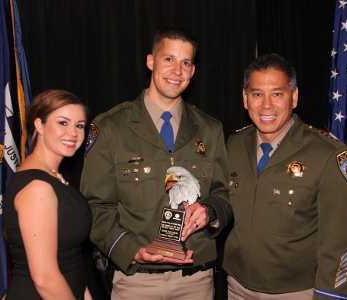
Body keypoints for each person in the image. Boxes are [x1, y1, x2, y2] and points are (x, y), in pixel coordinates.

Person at [80, 28, 233, 299]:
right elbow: (95, 207)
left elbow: (225, 193)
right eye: (169, 60)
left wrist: (209, 212)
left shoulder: (210, 129)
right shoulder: (112, 127)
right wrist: (131, 250)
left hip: (195, 278)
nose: (177, 70)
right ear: (151, 61)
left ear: (193, 71)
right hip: (136, 279)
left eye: (186, 63)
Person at [223, 54, 347, 300]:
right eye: (256, 94)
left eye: (277, 94)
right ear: (245, 99)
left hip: (296, 292)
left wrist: (332, 296)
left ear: (294, 97)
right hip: (238, 287)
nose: (266, 105)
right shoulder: (234, 145)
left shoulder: (327, 154)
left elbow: (340, 241)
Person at [3, 89, 92, 299]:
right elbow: (45, 278)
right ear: (39, 125)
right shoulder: (38, 188)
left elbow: (70, 261)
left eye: (79, 126)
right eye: (63, 122)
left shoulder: (54, 178)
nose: (73, 133)